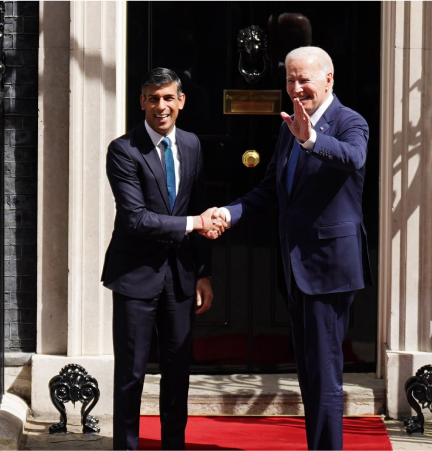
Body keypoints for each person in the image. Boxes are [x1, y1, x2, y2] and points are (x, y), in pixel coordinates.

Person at [211, 46, 372, 451]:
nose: (296, 88)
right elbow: (271, 189)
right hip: (296, 267)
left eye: (305, 79)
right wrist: (230, 213)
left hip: (330, 268)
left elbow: (353, 158)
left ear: (329, 79)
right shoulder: (288, 127)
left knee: (325, 374)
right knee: (309, 373)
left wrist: (312, 139)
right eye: (290, 80)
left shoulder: (350, 122)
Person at [101, 67, 225, 451]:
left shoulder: (191, 145)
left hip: (181, 277)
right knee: (131, 375)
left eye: (168, 98)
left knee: (178, 374)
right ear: (142, 102)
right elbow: (136, 218)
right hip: (136, 275)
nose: (161, 106)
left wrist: (203, 273)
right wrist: (194, 223)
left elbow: (198, 203)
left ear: (181, 101)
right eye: (153, 98)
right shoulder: (123, 150)